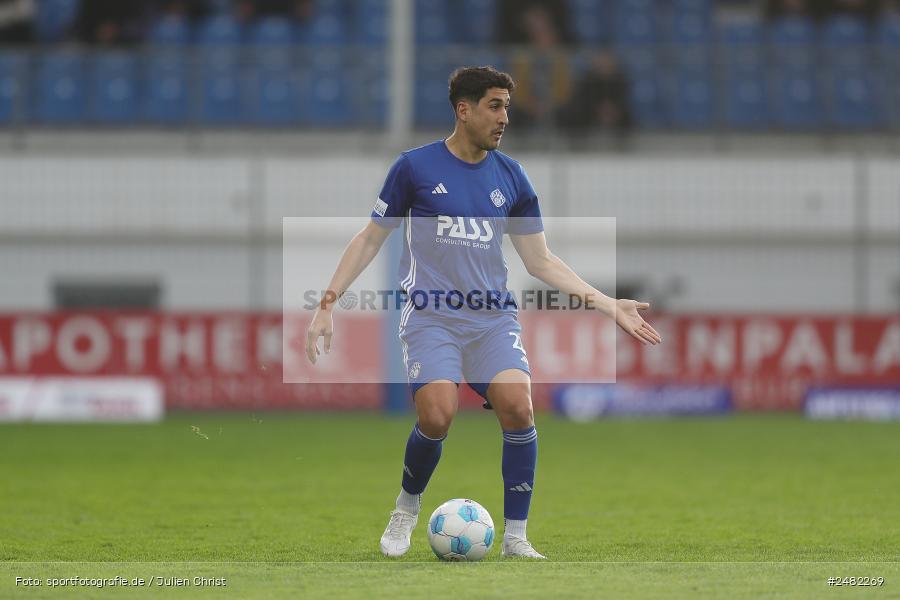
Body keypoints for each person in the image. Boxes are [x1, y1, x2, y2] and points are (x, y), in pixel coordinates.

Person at [305, 66, 661, 559]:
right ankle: (405, 510)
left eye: (507, 108)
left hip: (492, 319)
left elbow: (539, 260)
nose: (504, 118)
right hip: (431, 317)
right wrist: (327, 304)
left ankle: (516, 538)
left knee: (520, 408)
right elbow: (370, 238)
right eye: (495, 106)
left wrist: (605, 303)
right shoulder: (414, 167)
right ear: (464, 109)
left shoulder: (512, 177)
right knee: (438, 416)